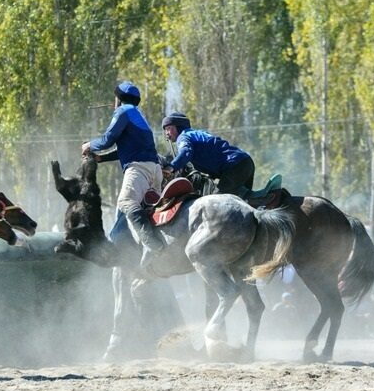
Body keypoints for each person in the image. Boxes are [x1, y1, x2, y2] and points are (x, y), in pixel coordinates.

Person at [82, 81, 163, 264]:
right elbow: (125, 149)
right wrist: (101, 159)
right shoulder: (137, 114)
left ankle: (153, 246)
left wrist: (89, 146)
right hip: (153, 170)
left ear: (118, 98)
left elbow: (106, 140)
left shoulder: (123, 111)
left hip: (138, 170)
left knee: (126, 202)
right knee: (121, 223)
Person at [160, 112, 255, 197]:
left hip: (234, 166)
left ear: (179, 127)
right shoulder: (198, 133)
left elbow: (185, 152)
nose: (167, 133)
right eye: (165, 130)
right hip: (245, 162)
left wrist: (171, 167)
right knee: (244, 202)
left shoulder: (183, 137)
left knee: (216, 202)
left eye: (169, 128)